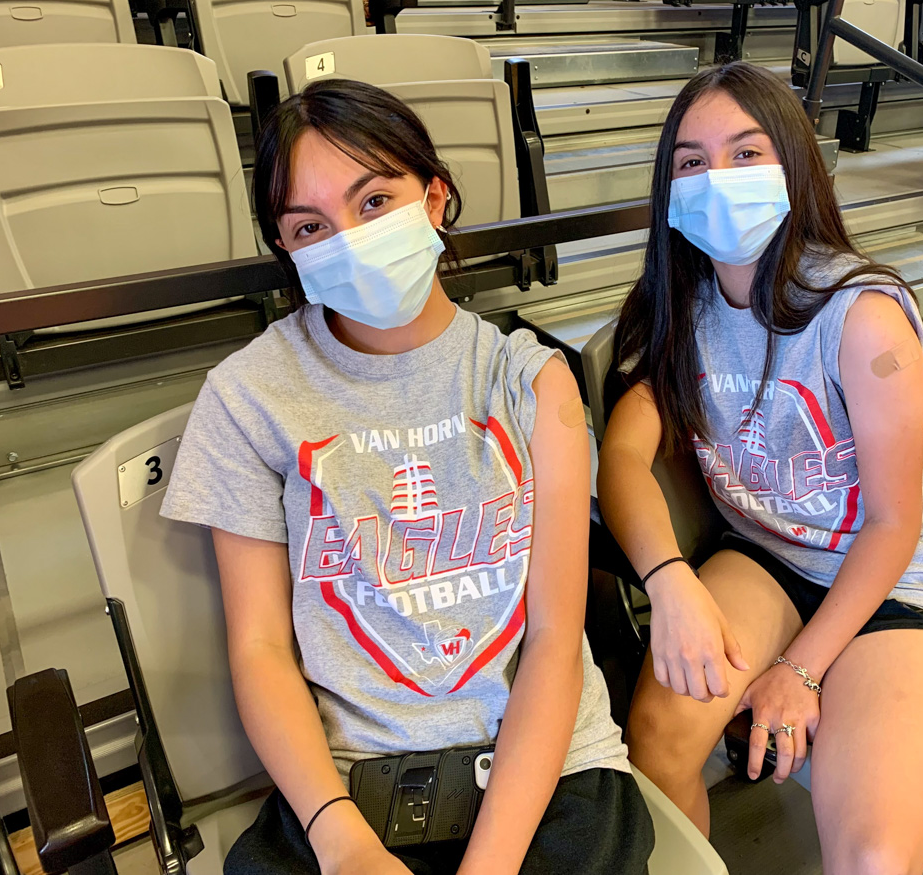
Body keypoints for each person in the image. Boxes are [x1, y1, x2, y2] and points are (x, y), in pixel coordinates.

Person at [161, 79, 652, 875]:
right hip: (351, 788)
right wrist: (341, 837)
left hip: (547, 771)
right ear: (286, 247)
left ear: (435, 198)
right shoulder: (248, 397)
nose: (349, 239)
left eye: (375, 201)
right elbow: (258, 649)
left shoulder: (531, 382)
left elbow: (556, 643)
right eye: (311, 225)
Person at [597, 61, 923, 874]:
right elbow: (624, 458)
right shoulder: (678, 307)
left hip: (898, 577)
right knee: (659, 753)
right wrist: (669, 580)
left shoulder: (861, 313)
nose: (719, 180)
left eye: (747, 152)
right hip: (769, 559)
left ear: (795, 164)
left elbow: (893, 521)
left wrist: (798, 668)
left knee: (874, 859)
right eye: (693, 163)